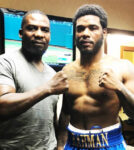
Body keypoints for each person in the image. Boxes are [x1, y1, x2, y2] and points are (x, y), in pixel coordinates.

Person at [0, 10, 68, 150]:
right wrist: (48, 88)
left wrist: (59, 146)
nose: (39, 34)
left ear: (49, 36)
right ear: (20, 33)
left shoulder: (51, 74)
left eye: (45, 30)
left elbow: (50, 118)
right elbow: (1, 107)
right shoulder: (4, 63)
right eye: (31, 28)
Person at [57, 4, 134, 150]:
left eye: (92, 28)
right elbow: (66, 112)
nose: (85, 33)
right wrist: (60, 145)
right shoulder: (67, 70)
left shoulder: (123, 67)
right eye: (80, 29)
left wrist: (120, 88)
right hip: (73, 143)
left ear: (104, 33)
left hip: (109, 143)